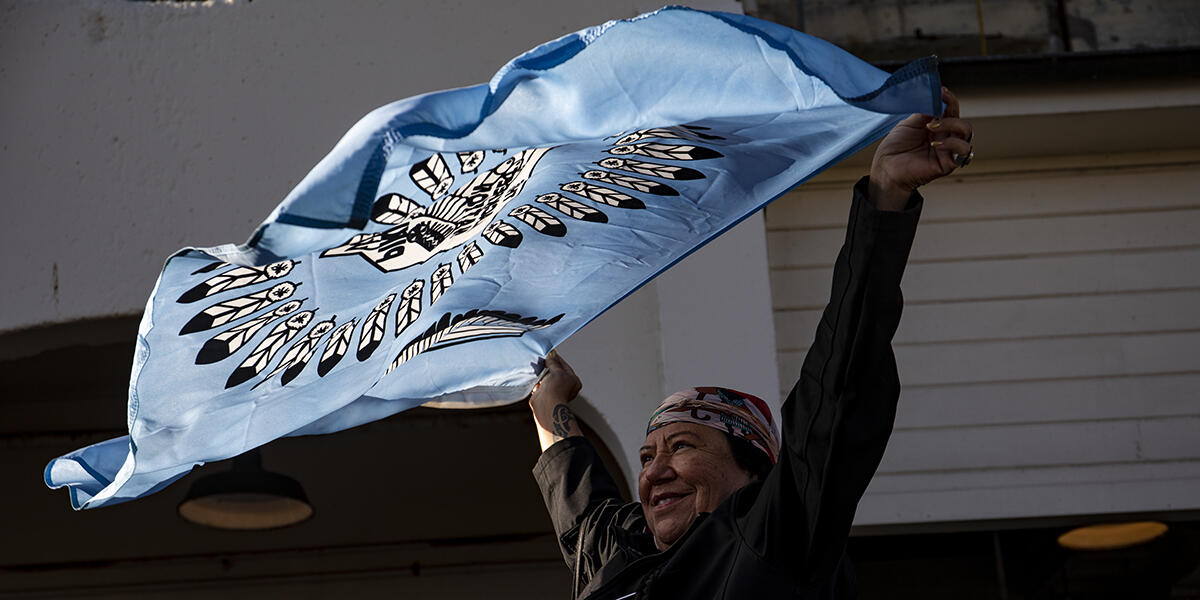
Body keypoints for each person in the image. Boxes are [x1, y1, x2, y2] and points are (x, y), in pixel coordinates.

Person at [528, 88, 974, 599]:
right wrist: (550, 405)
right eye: (648, 455)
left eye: (682, 446)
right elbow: (581, 513)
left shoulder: (771, 535)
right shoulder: (622, 559)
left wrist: (885, 197)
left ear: (753, 468)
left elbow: (837, 390)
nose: (654, 472)